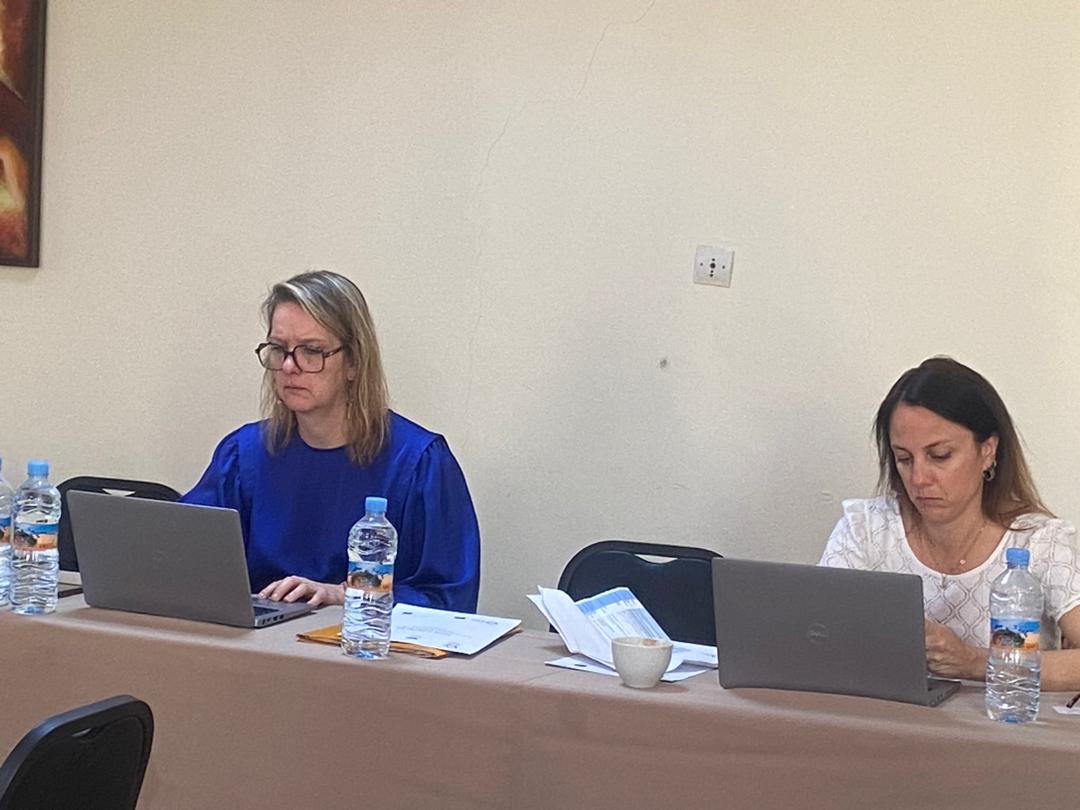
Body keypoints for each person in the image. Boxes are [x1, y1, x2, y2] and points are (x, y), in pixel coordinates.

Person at [182, 270, 480, 612]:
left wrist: (346, 594)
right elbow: (180, 554)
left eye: (312, 351)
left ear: (354, 362)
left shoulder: (420, 464)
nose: (289, 366)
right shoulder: (243, 454)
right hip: (260, 639)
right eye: (279, 349)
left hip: (364, 641)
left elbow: (449, 600)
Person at [820, 356, 1080, 690]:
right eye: (904, 459)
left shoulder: (1039, 541)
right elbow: (817, 637)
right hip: (885, 718)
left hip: (1001, 720)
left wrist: (976, 662)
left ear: (988, 450)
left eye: (940, 455)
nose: (919, 478)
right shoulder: (865, 530)